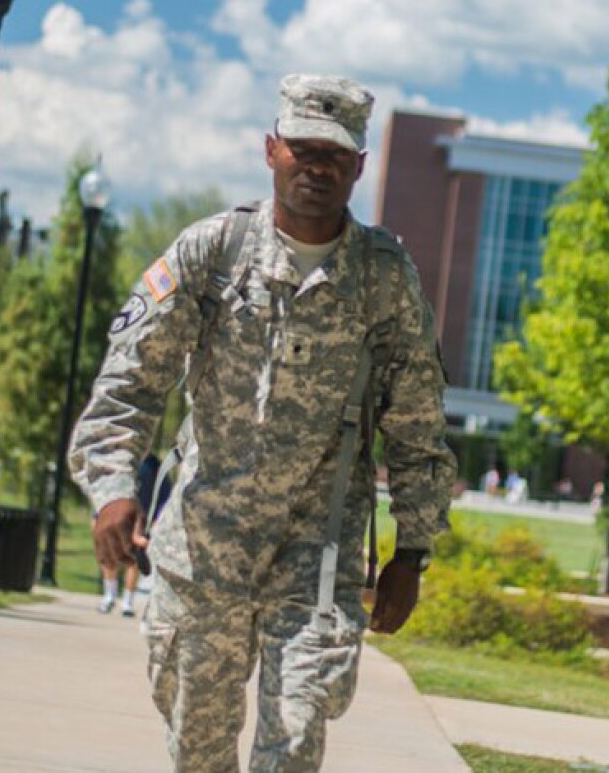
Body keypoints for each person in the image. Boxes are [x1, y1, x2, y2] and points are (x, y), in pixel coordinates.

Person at [69, 73, 455, 772]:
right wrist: (113, 487)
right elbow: (129, 383)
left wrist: (414, 551)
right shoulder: (213, 252)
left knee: (296, 734)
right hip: (203, 549)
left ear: (360, 168)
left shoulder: (384, 279)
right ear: (271, 149)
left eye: (336, 155)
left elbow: (418, 422)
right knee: (198, 744)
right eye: (303, 148)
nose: (317, 166)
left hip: (319, 554)